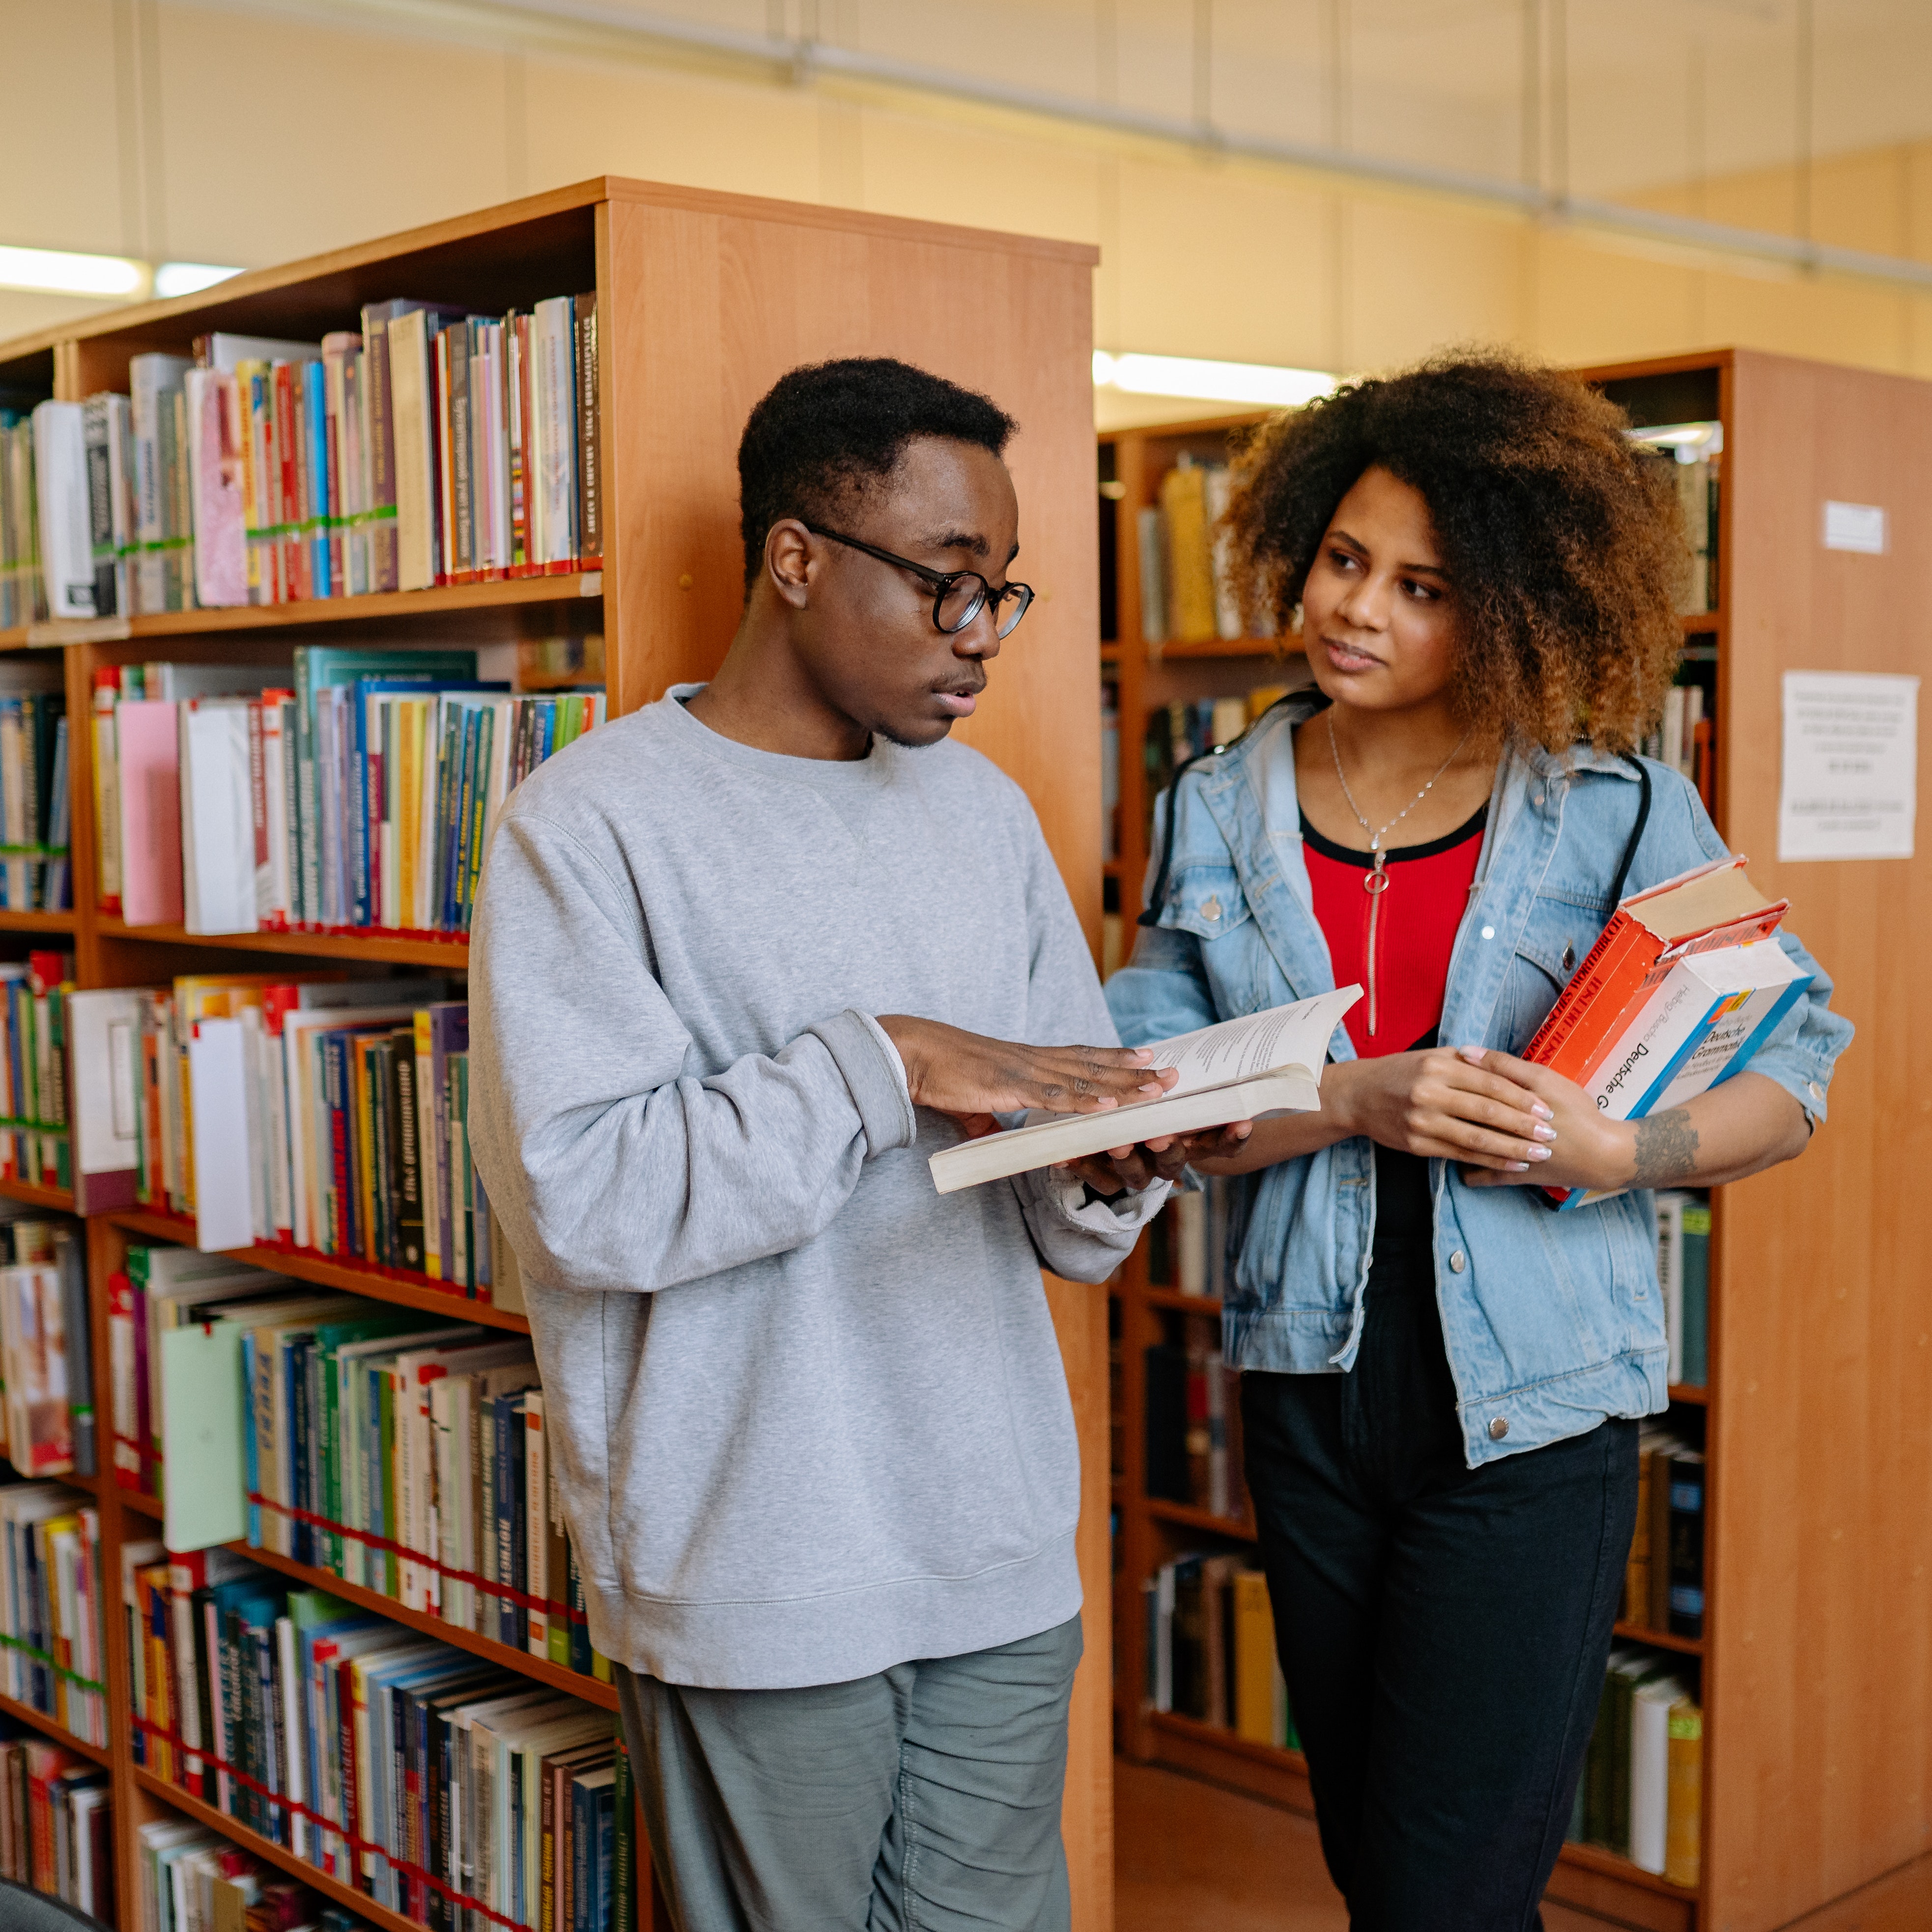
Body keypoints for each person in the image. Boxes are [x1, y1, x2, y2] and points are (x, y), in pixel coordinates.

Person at [1105, 354, 1853, 1931]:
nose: (1358, 608)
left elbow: (1795, 1068)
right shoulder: (1213, 805)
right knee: (1378, 1861)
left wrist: (1618, 1153)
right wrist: (1349, 1097)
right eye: (1344, 559)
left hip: (1531, 1412)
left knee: (1445, 1890)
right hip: (1304, 1388)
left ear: (1512, 604)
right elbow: (1161, 1097)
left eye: (1423, 585)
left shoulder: (1616, 806)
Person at [468, 357, 1185, 1932]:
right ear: (795, 558)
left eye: (1003, 594)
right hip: (758, 1557)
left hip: (993, 1537)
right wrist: (887, 1058)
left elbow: (1055, 1146)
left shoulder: (982, 814)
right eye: (945, 585)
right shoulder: (589, 828)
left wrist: (1102, 1168)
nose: (978, 636)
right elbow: (586, 1196)